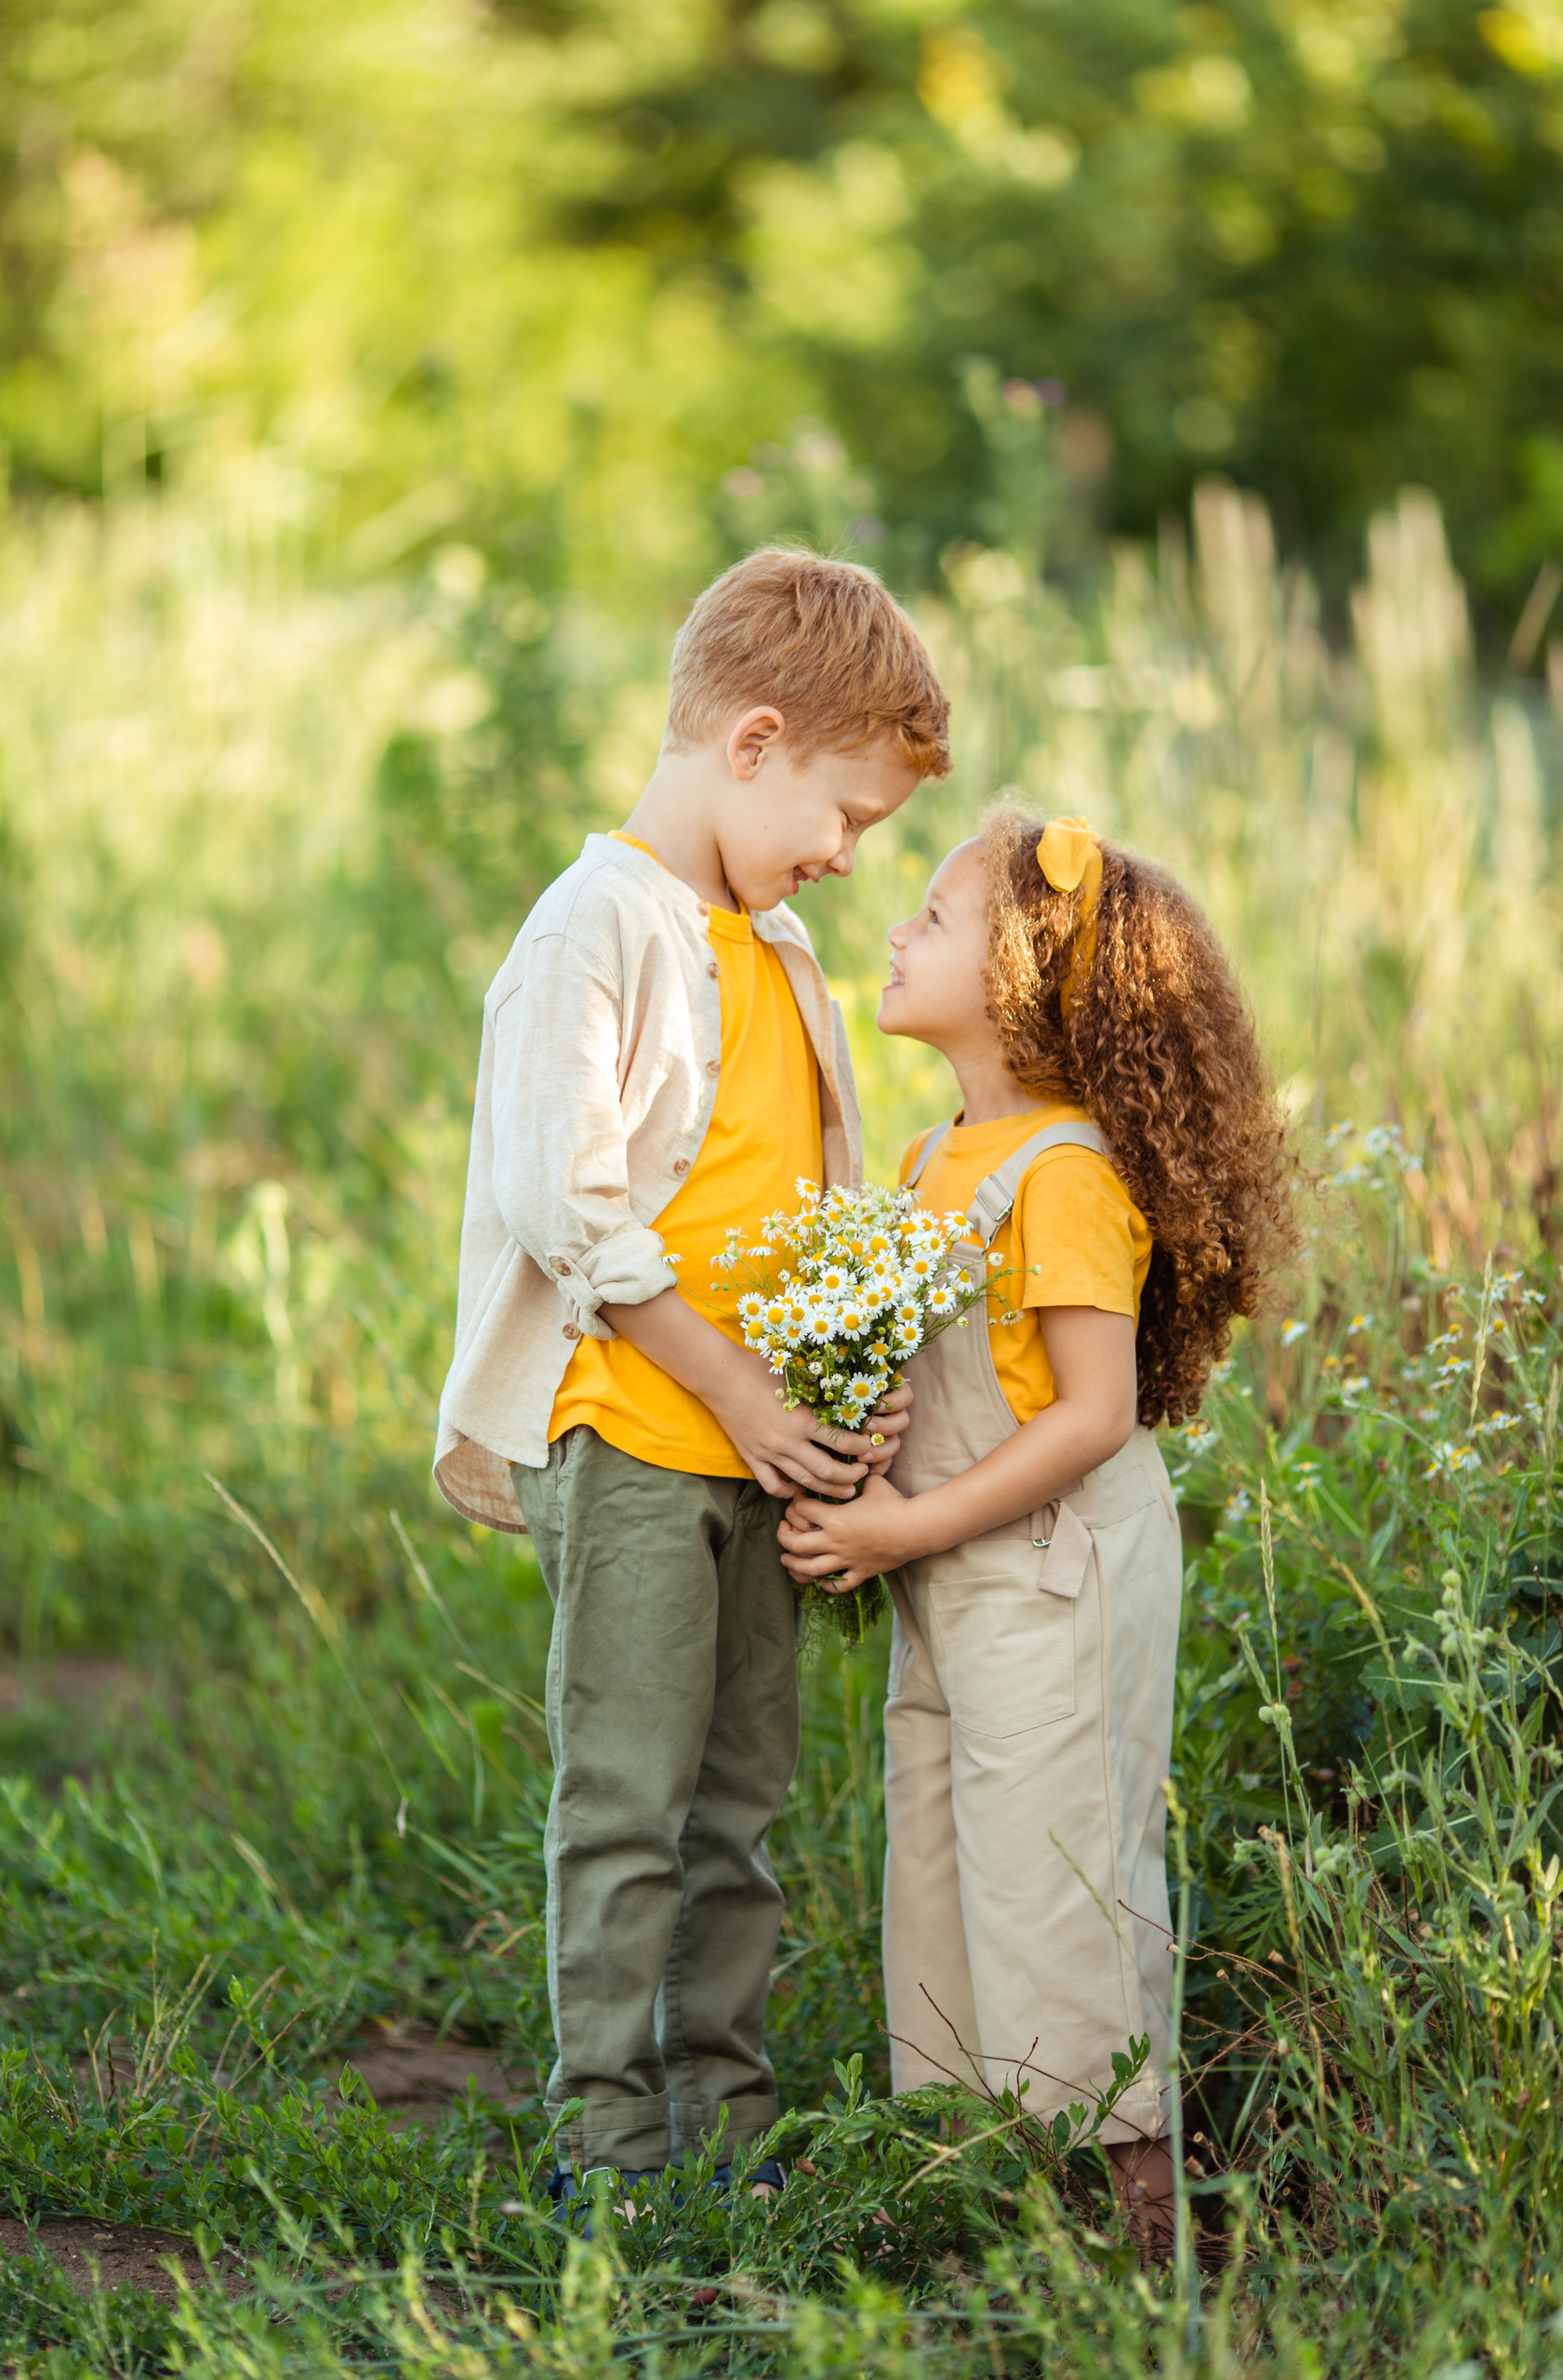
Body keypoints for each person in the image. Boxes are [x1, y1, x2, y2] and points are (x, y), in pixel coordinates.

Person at [433, 549, 951, 2209]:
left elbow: (798, 1209)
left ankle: (723, 2130)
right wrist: (735, 1394)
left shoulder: (774, 943)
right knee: (630, 1806)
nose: (846, 857)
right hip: (640, 1440)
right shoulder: (595, 926)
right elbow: (564, 1199)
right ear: (752, 741)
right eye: (844, 814)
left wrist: (839, 1386)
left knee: (738, 1813)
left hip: (758, 1449)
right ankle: (607, 2145)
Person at [776, 812, 1294, 2253]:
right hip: (955, 1572)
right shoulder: (944, 1151)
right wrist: (860, 1448)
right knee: (947, 1866)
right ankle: (981, 2212)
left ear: (1016, 976)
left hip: (1049, 1574)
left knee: (1061, 1878)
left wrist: (901, 1527)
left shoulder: (1059, 1172)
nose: (894, 931)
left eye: (931, 919)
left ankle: (1142, 2240)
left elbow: (1088, 1418)